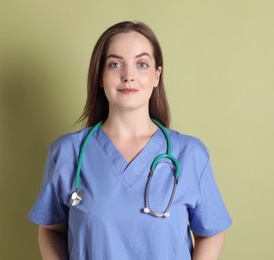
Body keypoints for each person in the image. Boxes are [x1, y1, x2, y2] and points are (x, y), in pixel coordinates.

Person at [28, 21, 232, 260]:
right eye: (115, 64)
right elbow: (51, 229)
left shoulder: (190, 154)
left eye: (142, 64)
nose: (128, 76)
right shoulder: (67, 153)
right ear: (100, 77)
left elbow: (211, 233)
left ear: (157, 76)